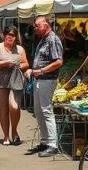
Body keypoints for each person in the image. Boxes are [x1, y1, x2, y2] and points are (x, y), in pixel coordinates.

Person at [26, 16, 63, 157]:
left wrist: (41, 70)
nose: (35, 28)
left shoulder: (53, 39)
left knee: (46, 110)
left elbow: (59, 61)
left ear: (46, 24)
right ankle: (45, 141)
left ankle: (53, 144)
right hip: (39, 79)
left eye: (37, 25)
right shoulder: (43, 39)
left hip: (47, 79)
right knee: (38, 111)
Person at [0, 26, 28, 146]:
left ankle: (14, 130)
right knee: (4, 109)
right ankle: (6, 135)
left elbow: (26, 63)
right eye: (7, 34)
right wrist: (6, 63)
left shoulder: (20, 49)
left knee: (14, 106)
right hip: (0, 82)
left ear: (16, 37)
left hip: (15, 82)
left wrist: (21, 66)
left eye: (12, 35)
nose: (10, 37)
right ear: (4, 36)